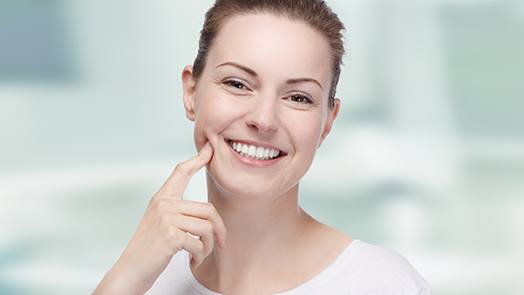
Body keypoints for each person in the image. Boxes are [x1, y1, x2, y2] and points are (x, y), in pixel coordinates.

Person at [94, 0, 431, 294]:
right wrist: (123, 281)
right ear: (191, 92)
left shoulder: (381, 284)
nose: (264, 119)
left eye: (298, 97)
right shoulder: (144, 279)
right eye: (237, 84)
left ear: (328, 121)